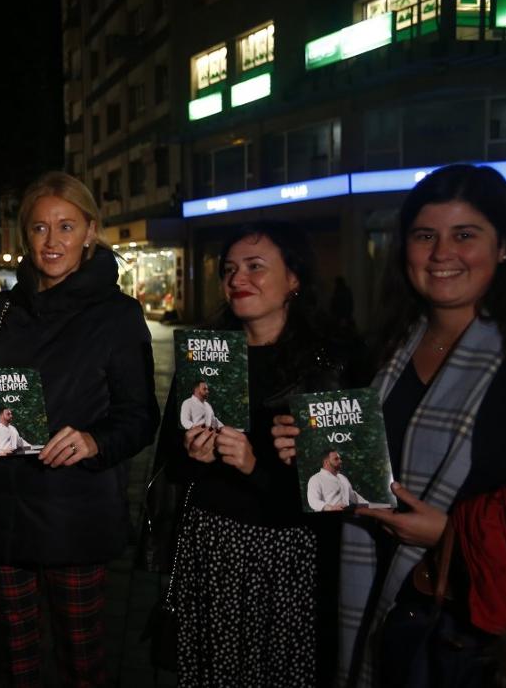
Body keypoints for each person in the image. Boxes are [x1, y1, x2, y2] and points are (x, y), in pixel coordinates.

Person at [271, 165, 506, 687]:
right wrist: (308, 455)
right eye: (424, 235)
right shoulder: (382, 352)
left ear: (502, 247)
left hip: (467, 631)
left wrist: (451, 535)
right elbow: (359, 478)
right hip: (371, 602)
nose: (441, 253)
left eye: (465, 235)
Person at [0, 171, 159, 687]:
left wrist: (93, 440)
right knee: (17, 663)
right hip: (2, 512)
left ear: (90, 230)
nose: (52, 241)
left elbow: (141, 415)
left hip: (74, 517)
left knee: (81, 663)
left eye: (66, 226)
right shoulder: (3, 308)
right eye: (40, 228)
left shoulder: (118, 316)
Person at [160, 219, 362, 687]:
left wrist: (255, 466)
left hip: (285, 553)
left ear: (294, 278)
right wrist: (192, 451)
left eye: (255, 266)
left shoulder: (330, 363)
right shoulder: (207, 354)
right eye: (229, 269)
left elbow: (344, 489)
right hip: (208, 545)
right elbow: (170, 457)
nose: (237, 280)